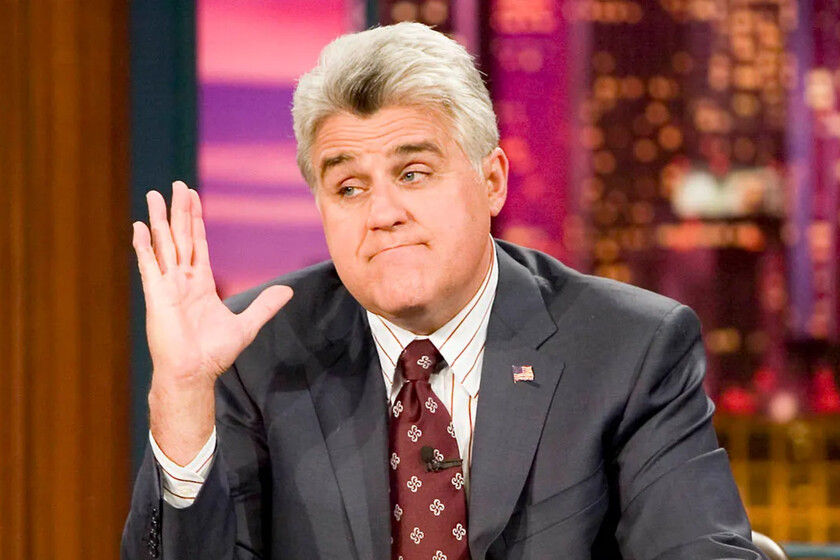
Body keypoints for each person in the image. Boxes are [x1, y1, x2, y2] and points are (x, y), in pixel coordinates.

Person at [122, 22, 767, 560]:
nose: (382, 213)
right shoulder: (255, 355)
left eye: (413, 173)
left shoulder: (627, 349)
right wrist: (181, 396)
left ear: (492, 182)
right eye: (348, 187)